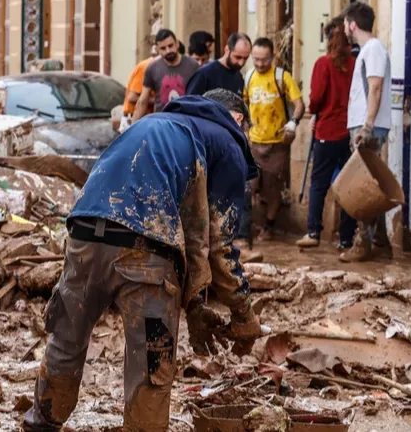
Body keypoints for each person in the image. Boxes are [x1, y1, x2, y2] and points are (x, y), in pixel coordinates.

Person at [24, 90, 262, 432]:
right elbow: (218, 246)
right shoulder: (227, 142)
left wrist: (195, 306)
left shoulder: (154, 122)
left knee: (66, 339)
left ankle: (40, 425)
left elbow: (194, 233)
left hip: (84, 234)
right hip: (144, 252)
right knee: (151, 365)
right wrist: (244, 314)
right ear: (238, 120)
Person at [341, 1, 393, 262]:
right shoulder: (368, 50)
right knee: (373, 184)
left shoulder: (373, 49)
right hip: (366, 125)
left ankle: (362, 243)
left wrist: (367, 126)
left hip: (367, 128)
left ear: (352, 24)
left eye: (345, 24)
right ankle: (381, 242)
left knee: (363, 186)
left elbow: (375, 87)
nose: (344, 30)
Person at [299, 17, 356, 249]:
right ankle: (346, 238)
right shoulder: (355, 64)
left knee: (319, 183)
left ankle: (313, 232)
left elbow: (316, 98)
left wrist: (314, 112)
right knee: (349, 185)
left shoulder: (323, 64)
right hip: (349, 133)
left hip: (327, 131)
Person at [242, 37, 305, 244]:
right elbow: (242, 105)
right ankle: (246, 228)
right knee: (248, 186)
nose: (260, 64)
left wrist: (293, 123)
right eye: (256, 59)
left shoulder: (281, 77)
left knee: (273, 188)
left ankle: (268, 226)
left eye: (264, 60)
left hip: (277, 143)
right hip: (253, 143)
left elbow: (299, 104)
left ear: (273, 56)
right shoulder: (249, 77)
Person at [131, 29, 200, 124]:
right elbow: (142, 101)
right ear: (157, 50)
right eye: (163, 48)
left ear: (177, 44)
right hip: (162, 123)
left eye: (170, 46)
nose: (168, 51)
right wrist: (132, 128)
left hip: (187, 121)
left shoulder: (193, 65)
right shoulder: (152, 68)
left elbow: (201, 97)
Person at [187, 32, 252, 97]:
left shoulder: (238, 76)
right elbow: (189, 102)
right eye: (237, 57)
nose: (241, 63)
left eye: (245, 58)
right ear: (227, 50)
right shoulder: (205, 74)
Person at [120, 44, 157, 132]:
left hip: (144, 119)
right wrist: (157, 100)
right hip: (133, 118)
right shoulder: (147, 67)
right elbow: (132, 97)